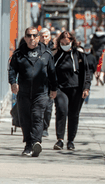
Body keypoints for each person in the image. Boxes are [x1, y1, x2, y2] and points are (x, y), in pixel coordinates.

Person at [8, 26, 58, 157]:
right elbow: (12, 70)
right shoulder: (19, 54)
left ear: (38, 37)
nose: (31, 38)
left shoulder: (46, 53)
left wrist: (54, 89)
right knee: (25, 119)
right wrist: (13, 83)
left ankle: (36, 142)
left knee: (37, 116)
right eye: (29, 36)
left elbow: (52, 72)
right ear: (25, 38)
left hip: (41, 92)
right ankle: (28, 145)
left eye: (34, 36)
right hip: (23, 92)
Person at [53, 31, 91, 150]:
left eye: (67, 43)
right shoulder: (56, 55)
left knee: (74, 114)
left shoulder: (79, 54)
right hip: (60, 88)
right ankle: (60, 140)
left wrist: (86, 87)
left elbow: (86, 72)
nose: (65, 45)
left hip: (76, 88)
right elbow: (50, 72)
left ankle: (71, 141)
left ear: (72, 42)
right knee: (62, 110)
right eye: (62, 43)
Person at [39, 27, 55, 137]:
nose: (44, 39)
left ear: (50, 37)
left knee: (48, 108)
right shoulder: (35, 49)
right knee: (38, 107)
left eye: (46, 36)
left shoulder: (55, 49)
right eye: (42, 36)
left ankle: (45, 127)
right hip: (38, 83)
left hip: (50, 84)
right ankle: (38, 127)